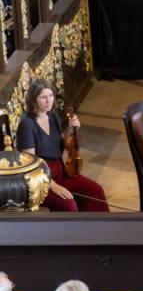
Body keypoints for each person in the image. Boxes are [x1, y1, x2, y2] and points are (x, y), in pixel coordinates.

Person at [16, 79, 108, 212]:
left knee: (95, 191)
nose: (49, 101)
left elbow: (62, 144)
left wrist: (71, 128)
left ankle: (100, 230)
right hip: (41, 181)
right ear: (33, 99)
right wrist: (53, 186)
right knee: (69, 205)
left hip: (62, 173)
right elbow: (31, 166)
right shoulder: (27, 125)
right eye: (43, 97)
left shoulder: (52, 116)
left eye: (51, 96)